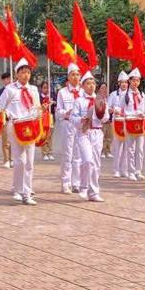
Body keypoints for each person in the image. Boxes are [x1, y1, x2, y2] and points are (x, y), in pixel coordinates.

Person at [0, 59, 41, 205]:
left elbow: (37, 107)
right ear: (17, 74)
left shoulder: (34, 89)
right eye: (23, 72)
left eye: (28, 72)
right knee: (19, 160)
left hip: (30, 127)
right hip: (15, 127)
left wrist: (41, 113)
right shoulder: (10, 89)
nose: (26, 75)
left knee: (29, 161)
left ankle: (27, 193)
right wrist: (7, 115)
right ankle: (17, 189)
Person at [69, 71, 109, 202]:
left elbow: (106, 118)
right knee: (87, 160)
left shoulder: (101, 100)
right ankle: (84, 186)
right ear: (82, 85)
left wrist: (101, 113)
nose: (91, 85)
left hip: (97, 133)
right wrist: (81, 119)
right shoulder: (79, 101)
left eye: (93, 83)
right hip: (84, 133)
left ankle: (94, 192)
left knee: (96, 163)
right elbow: (73, 118)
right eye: (88, 83)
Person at [55, 63, 83, 193]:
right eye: (73, 74)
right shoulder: (62, 92)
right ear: (68, 77)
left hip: (80, 126)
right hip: (68, 125)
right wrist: (65, 113)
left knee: (78, 155)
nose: (75, 77)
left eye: (77, 74)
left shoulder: (83, 92)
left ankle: (76, 182)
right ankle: (66, 183)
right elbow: (58, 111)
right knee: (67, 154)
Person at [123, 69, 145, 180]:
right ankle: (131, 171)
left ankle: (138, 170)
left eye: (138, 80)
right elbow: (120, 108)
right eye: (134, 80)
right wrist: (132, 114)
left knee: (140, 149)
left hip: (140, 123)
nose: (136, 83)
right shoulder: (125, 95)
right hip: (130, 123)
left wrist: (143, 114)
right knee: (130, 148)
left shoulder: (142, 94)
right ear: (130, 81)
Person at [108, 71, 130, 178]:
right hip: (116, 122)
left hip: (127, 122)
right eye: (122, 82)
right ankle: (116, 170)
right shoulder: (113, 95)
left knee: (127, 147)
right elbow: (108, 108)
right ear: (119, 83)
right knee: (117, 147)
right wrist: (113, 110)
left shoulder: (130, 94)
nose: (124, 84)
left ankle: (124, 169)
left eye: (126, 82)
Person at [0, 72, 13, 168]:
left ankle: (13, 159)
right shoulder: (1, 92)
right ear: (3, 81)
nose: (8, 81)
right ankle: (6, 159)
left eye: (9, 78)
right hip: (5, 119)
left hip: (15, 119)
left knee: (14, 141)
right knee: (6, 141)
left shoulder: (16, 90)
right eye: (5, 79)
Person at [40, 79, 55, 161]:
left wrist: (53, 102)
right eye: (44, 88)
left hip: (51, 117)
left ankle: (50, 152)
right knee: (44, 135)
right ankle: (44, 152)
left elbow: (56, 104)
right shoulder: (39, 96)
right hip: (43, 117)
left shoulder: (52, 95)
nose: (46, 90)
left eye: (47, 88)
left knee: (50, 135)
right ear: (41, 88)